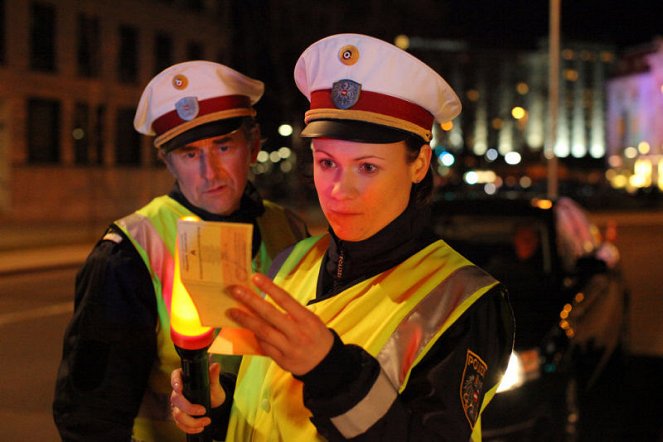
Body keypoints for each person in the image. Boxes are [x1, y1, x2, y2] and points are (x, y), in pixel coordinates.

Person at [169, 34, 514, 441]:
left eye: (367, 167)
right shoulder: (290, 262)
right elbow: (265, 410)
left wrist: (330, 371)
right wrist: (216, 407)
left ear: (419, 163)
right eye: (327, 162)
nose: (339, 189)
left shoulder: (464, 302)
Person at [53, 60, 308, 442]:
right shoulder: (130, 250)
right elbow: (90, 416)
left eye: (223, 146)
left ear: (252, 145)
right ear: (167, 161)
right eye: (190, 154)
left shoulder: (290, 230)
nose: (210, 172)